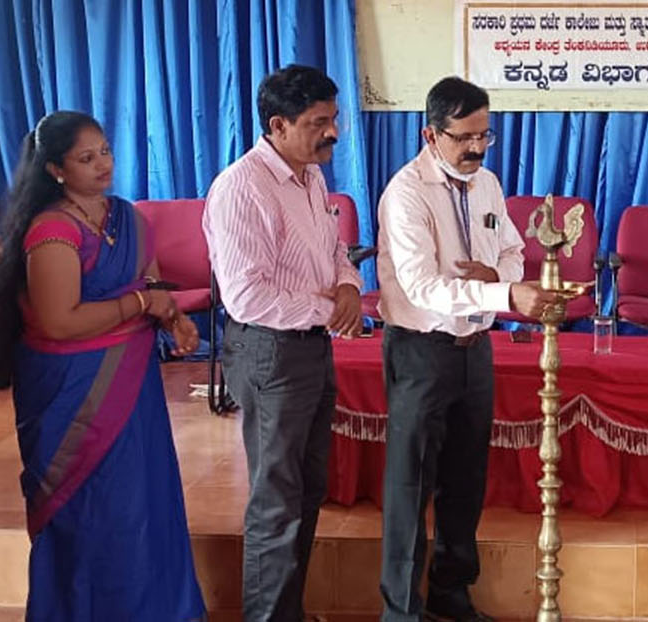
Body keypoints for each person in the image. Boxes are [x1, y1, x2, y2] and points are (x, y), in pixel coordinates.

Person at [0, 111, 206, 621]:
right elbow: (60, 322)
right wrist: (141, 306)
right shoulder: (52, 231)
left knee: (143, 504)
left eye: (104, 151)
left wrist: (174, 320)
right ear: (56, 170)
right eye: (86, 158)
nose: (103, 164)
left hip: (134, 392)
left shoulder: (128, 219)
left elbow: (152, 286)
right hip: (72, 395)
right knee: (91, 514)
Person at [373, 76, 557, 622]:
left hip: (476, 347)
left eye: (485, 135)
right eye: (464, 137)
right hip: (421, 350)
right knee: (411, 484)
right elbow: (423, 288)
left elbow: (513, 253)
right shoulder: (406, 193)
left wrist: (497, 276)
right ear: (431, 135)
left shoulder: (487, 184)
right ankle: (402, 611)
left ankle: (451, 594)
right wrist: (505, 294)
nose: (477, 148)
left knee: (466, 479)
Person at [204, 64, 364, 622]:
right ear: (278, 125)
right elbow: (246, 296)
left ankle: (287, 610)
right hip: (270, 351)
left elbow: (335, 251)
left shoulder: (311, 176)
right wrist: (331, 309)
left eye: (334, 118)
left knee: (307, 489)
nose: (333, 132)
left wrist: (349, 286)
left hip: (311, 346)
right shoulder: (242, 187)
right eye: (319, 122)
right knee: (276, 500)